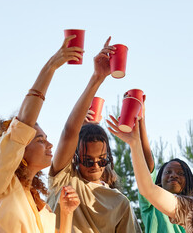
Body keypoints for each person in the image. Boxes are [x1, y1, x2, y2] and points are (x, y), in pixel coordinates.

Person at [0, 35, 81, 233]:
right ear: (19, 148)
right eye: (40, 139)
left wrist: (67, 212)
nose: (49, 145)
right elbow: (22, 125)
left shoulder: (39, 206)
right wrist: (50, 67)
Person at [47, 37, 139, 233]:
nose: (96, 166)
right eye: (88, 161)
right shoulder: (65, 179)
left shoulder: (120, 203)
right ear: (76, 157)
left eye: (102, 159)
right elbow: (69, 132)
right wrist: (97, 77)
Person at [137, 100, 193, 232]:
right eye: (168, 172)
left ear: (188, 181)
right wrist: (141, 121)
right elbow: (146, 165)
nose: (173, 175)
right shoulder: (152, 203)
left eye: (180, 173)